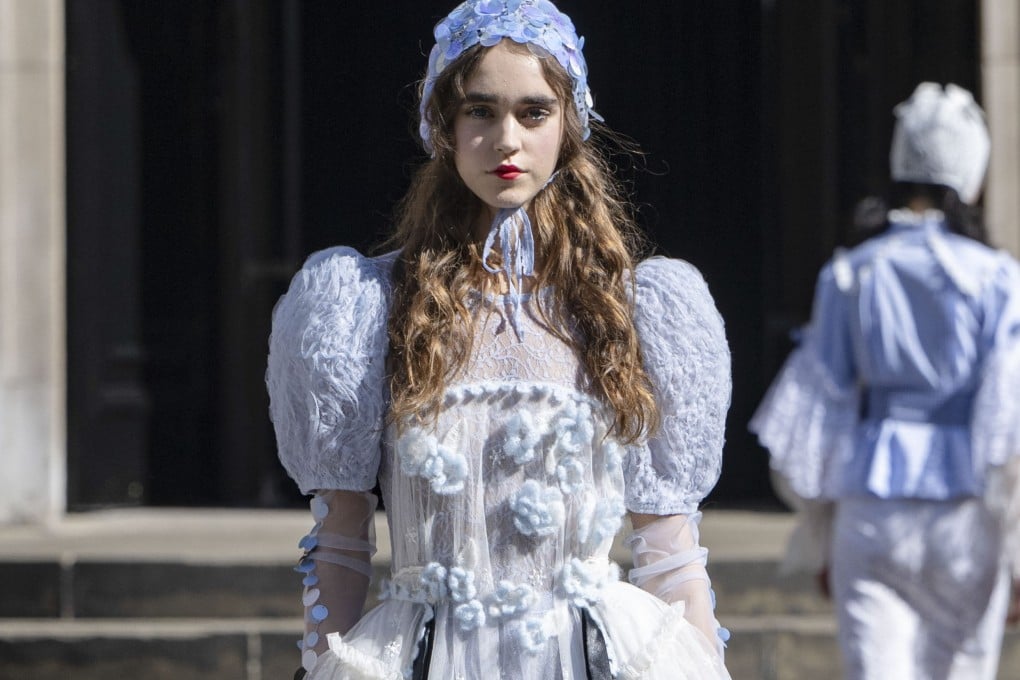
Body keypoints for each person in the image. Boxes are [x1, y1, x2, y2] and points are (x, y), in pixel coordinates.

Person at [266, 1, 733, 679]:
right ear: (444, 126)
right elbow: (339, 540)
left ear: (568, 125)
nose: (506, 139)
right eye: (480, 111)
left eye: (533, 112)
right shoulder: (368, 305)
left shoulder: (634, 309)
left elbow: (668, 548)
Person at [751, 82, 1020, 679]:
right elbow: (1011, 426)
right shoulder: (999, 279)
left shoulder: (851, 272)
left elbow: (822, 413)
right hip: (966, 513)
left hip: (869, 505)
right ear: (971, 176)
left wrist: (819, 531)